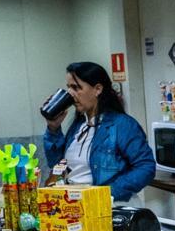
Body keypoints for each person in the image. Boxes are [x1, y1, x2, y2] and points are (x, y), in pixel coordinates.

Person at [44, 61, 155, 202]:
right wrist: (53, 128)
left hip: (110, 205)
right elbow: (56, 164)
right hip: (77, 204)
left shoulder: (122, 124)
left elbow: (146, 167)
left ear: (97, 89)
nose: (70, 94)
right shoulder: (79, 125)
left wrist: (107, 193)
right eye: (68, 88)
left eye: (76, 88)